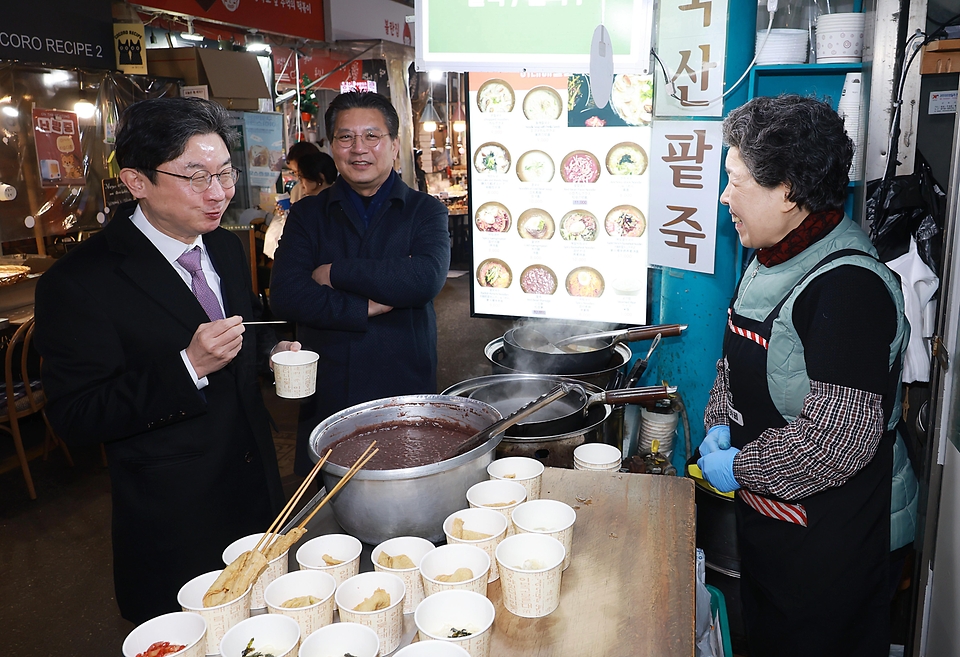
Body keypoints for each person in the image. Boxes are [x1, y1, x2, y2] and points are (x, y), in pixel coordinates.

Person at [34, 97, 300, 624]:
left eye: (225, 173)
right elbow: (76, 415)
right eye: (195, 177)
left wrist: (271, 354)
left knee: (273, 624)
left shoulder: (222, 247)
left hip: (259, 488)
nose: (220, 192)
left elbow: (239, 331)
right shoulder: (81, 282)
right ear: (136, 181)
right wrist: (188, 367)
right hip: (176, 513)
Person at [696, 95, 909, 656]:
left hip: (832, 543)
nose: (725, 197)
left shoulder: (847, 290)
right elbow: (734, 361)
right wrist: (721, 420)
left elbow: (838, 442)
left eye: (736, 181)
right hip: (776, 519)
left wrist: (741, 464)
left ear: (787, 191)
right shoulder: (771, 257)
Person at [270, 91, 450, 476]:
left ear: (395, 145)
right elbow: (286, 294)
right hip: (329, 389)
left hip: (403, 384)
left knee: (406, 501)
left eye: (372, 136)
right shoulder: (308, 215)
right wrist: (362, 305)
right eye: (345, 137)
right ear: (332, 146)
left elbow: (423, 279)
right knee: (322, 509)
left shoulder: (425, 211)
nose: (358, 149)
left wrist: (333, 273)